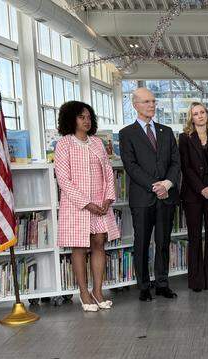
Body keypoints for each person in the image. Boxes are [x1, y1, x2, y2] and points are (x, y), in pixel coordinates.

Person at [54, 101, 120, 312]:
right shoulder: (64, 144)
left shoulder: (97, 143)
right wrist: (86, 203)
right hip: (77, 205)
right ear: (71, 119)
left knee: (99, 241)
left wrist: (108, 199)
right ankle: (83, 293)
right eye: (81, 117)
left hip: (101, 203)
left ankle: (97, 291)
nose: (86, 121)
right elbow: (63, 179)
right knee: (80, 246)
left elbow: (108, 173)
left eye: (89, 117)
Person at [119, 87, 181, 301]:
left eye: (153, 101)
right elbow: (131, 165)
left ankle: (162, 283)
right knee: (142, 242)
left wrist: (167, 184)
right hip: (143, 197)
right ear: (135, 105)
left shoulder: (167, 131)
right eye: (146, 102)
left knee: (163, 242)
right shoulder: (126, 134)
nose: (151, 105)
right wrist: (155, 185)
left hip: (166, 197)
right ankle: (144, 287)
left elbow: (176, 162)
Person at [178, 102, 208, 292]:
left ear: (207, 115)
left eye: (202, 112)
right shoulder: (184, 138)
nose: (200, 116)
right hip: (193, 195)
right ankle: (196, 281)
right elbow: (186, 167)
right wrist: (201, 188)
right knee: (195, 237)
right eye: (195, 113)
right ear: (191, 117)